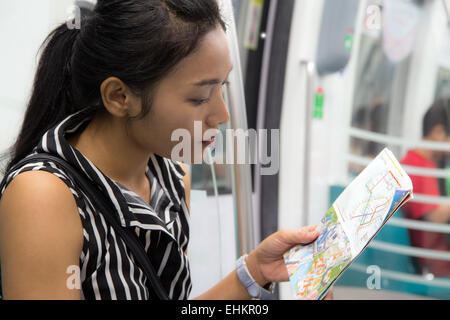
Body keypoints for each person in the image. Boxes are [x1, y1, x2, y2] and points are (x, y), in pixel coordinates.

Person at [0, 0, 329, 300]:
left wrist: (255, 272)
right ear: (119, 97)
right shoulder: (43, 195)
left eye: (222, 88)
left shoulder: (171, 180)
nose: (222, 116)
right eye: (200, 98)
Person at [400, 98, 450, 277]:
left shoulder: (425, 163)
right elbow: (434, 216)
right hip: (436, 266)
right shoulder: (417, 167)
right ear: (438, 132)